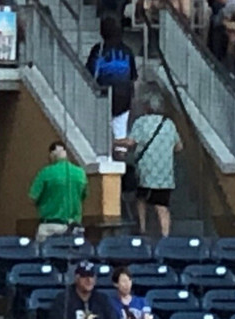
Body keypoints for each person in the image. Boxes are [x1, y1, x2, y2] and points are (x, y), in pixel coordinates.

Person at [126, 94, 183, 238]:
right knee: (162, 205)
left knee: (141, 198)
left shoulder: (141, 122)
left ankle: (143, 228)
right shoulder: (169, 123)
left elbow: (131, 143)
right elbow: (179, 147)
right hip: (165, 173)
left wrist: (116, 142)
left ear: (146, 107)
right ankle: (165, 235)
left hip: (146, 169)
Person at [86, 16, 138, 154]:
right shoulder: (127, 51)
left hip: (103, 96)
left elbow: (89, 74)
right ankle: (120, 159)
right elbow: (133, 76)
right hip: (124, 97)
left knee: (101, 135)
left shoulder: (98, 50)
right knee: (120, 133)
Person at [108, 266, 185, 319]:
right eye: (124, 281)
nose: (127, 284)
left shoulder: (141, 301)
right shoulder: (111, 303)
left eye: (129, 280)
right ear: (116, 284)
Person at [29, 142, 87, 242]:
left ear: (52, 154)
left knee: (43, 254)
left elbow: (33, 198)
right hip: (73, 226)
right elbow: (84, 195)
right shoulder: (80, 173)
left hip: (50, 225)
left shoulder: (46, 173)